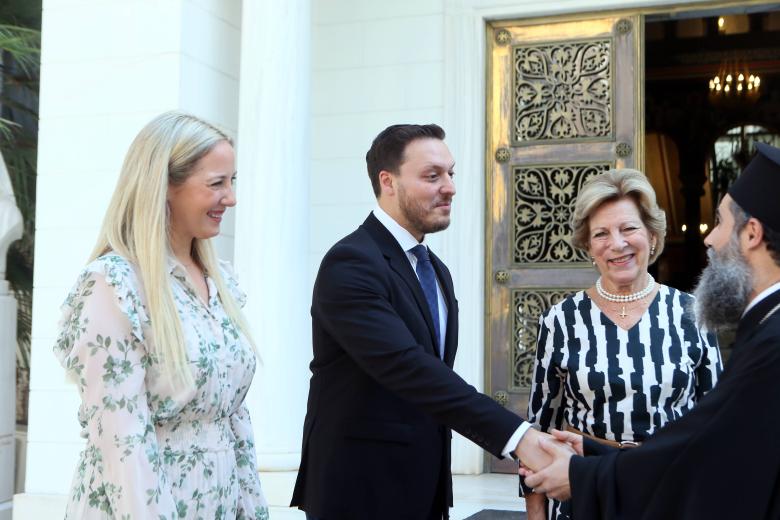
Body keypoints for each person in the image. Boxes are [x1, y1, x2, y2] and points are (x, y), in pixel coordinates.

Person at [290, 124, 564, 520]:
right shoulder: (350, 263)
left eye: (451, 173)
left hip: (424, 486)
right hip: (360, 488)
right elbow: (409, 367)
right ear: (388, 181)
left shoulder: (436, 269)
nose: (450, 187)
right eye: (432, 176)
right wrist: (517, 436)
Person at [522, 142, 780, 519]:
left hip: (665, 497)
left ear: (652, 235)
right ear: (587, 245)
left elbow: (711, 433)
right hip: (584, 499)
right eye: (601, 234)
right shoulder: (562, 319)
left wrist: (589, 469)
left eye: (628, 228)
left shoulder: (696, 313)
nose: (617, 244)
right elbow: (539, 431)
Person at [53, 112, 269, 519]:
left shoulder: (220, 279)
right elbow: (121, 439)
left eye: (232, 181)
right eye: (216, 183)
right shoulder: (113, 285)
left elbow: (233, 416)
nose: (231, 197)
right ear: (165, 186)